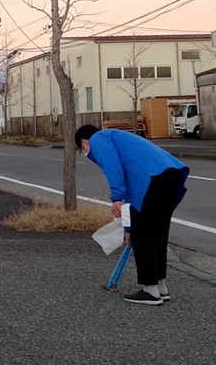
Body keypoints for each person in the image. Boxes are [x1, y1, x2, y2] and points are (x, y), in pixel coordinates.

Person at [74, 124, 189, 306]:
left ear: (84, 142)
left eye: (82, 151)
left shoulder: (98, 138)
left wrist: (116, 197)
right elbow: (133, 193)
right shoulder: (119, 137)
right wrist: (129, 228)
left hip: (152, 179)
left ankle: (150, 291)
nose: (86, 154)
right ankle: (161, 287)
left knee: (143, 235)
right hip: (170, 176)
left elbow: (113, 166)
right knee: (157, 233)